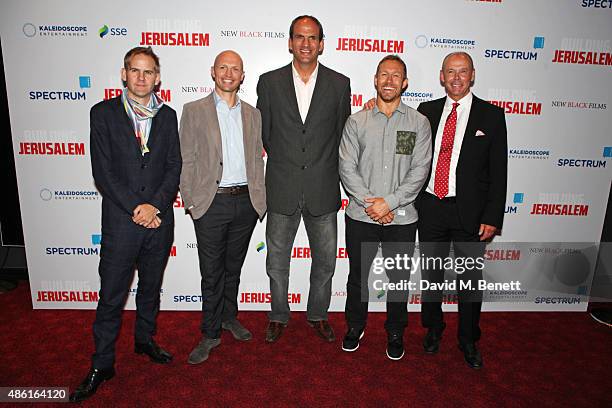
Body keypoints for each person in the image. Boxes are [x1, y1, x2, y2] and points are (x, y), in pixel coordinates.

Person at [70, 46, 181, 402]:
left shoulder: (168, 116)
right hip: (122, 221)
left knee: (151, 287)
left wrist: (155, 206)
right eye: (135, 71)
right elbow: (103, 172)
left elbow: (173, 167)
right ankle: (102, 363)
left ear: (157, 77)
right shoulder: (102, 114)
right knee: (112, 296)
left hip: (159, 221)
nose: (141, 78)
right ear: (123, 73)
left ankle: (145, 340)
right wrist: (138, 207)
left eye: (148, 72)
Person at [256, 15, 351, 343]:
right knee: (276, 261)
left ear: (321, 43)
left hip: (323, 189)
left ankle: (318, 313)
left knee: (325, 261)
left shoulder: (340, 84)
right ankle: (279, 314)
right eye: (299, 37)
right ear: (290, 42)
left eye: (312, 38)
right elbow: (265, 135)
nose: (306, 44)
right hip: (281, 186)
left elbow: (342, 136)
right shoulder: (269, 82)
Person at [416, 52, 507, 369]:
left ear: (472, 75)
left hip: (469, 213)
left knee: (469, 280)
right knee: (431, 277)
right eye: (450, 72)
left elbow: (499, 172)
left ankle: (468, 339)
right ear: (441, 76)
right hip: (430, 207)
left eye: (462, 71)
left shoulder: (492, 116)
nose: (456, 77)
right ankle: (434, 329)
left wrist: (492, 217)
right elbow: (406, 146)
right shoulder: (425, 112)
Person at [339, 55, 431, 360]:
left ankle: (395, 330)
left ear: (404, 83)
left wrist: (389, 203)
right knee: (357, 276)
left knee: (399, 279)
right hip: (360, 214)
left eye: (396, 76)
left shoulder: (419, 123)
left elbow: (420, 170)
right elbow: (346, 167)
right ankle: (355, 326)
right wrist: (372, 204)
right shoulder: (356, 121)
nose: (389, 81)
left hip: (402, 217)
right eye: (383, 75)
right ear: (375, 80)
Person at [179, 50, 266, 364]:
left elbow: (257, 158)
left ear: (242, 76)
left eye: (235, 69)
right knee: (211, 272)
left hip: (245, 202)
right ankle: (210, 332)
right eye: (223, 68)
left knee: (233, 268)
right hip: (211, 203)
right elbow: (186, 159)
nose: (229, 73)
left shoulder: (253, 114)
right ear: (213, 72)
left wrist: (259, 198)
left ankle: (229, 317)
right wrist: (191, 200)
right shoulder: (193, 110)